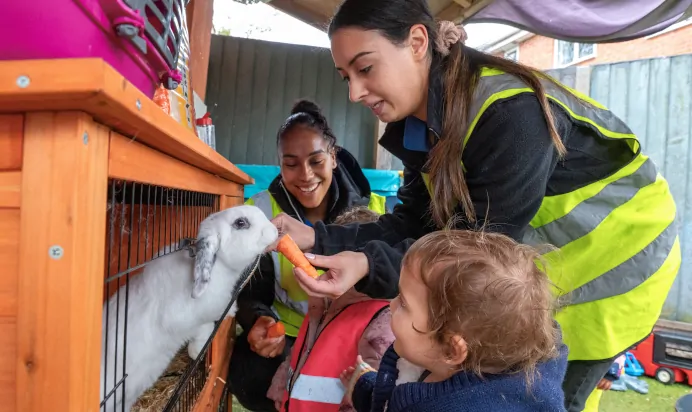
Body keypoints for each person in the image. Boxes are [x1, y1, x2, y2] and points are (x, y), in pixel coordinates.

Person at [269, 1, 681, 411]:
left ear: (416, 42)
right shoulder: (421, 125)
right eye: (346, 77)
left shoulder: (510, 115)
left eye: (365, 69)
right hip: (532, 275)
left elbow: (468, 260)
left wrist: (367, 265)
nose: (355, 92)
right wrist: (318, 236)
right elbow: (413, 221)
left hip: (611, 268)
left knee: (534, 397)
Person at [228, 99, 387, 411]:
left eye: (316, 161)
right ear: (279, 164)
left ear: (334, 158)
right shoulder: (260, 212)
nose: (305, 175)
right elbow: (250, 291)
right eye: (290, 164)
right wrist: (260, 320)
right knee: (250, 372)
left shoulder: (377, 210)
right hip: (291, 333)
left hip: (354, 334)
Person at [340, 230, 568, 411]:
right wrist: (365, 388)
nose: (391, 304)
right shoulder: (482, 362)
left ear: (450, 350)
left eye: (404, 303)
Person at [267, 207, 395, 412]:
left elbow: (376, 381)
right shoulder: (322, 304)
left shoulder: (382, 319)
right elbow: (301, 351)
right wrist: (282, 384)